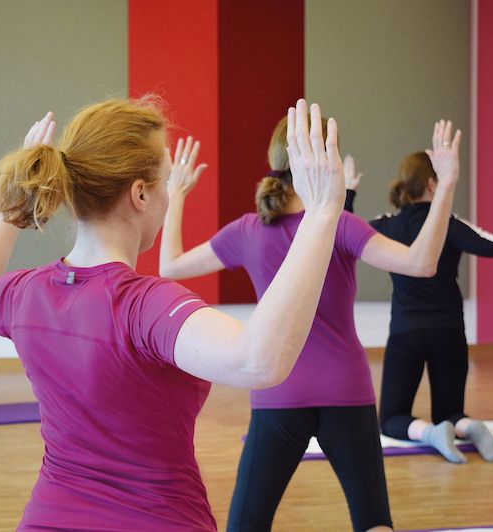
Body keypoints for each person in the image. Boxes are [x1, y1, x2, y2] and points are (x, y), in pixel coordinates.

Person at [0, 98, 347, 531]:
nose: (166, 193)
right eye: (163, 180)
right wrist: (323, 212)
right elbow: (259, 360)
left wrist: (19, 203)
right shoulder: (143, 306)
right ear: (140, 193)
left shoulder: (26, 294)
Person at [159, 117, 462, 532]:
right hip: (346, 392)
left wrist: (176, 195)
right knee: (375, 523)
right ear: (322, 159)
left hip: (278, 392)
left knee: (247, 525)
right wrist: (444, 185)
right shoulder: (338, 224)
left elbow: (170, 265)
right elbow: (421, 263)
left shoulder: (250, 231)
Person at [345, 154, 493, 464]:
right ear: (433, 184)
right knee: (450, 411)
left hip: (406, 334)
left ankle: (431, 433)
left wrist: (348, 194)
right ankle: (468, 426)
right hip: (449, 332)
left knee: (392, 418)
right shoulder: (449, 223)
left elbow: (345, 234)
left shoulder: (387, 225)